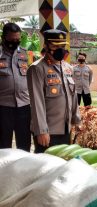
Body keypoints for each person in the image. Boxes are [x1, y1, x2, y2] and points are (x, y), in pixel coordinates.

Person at [27, 29, 81, 153]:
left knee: (63, 165)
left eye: (62, 46)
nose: (59, 49)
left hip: (66, 129)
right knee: (46, 168)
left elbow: (74, 96)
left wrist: (76, 120)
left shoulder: (68, 68)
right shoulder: (37, 68)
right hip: (48, 131)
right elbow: (36, 102)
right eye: (55, 46)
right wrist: (41, 131)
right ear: (45, 45)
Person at [0, 23, 31, 151]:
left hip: (24, 106)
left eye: (17, 39)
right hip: (3, 107)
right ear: (3, 38)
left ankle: (24, 169)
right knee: (3, 145)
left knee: (24, 144)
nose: (15, 42)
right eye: (12, 40)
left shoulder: (23, 53)